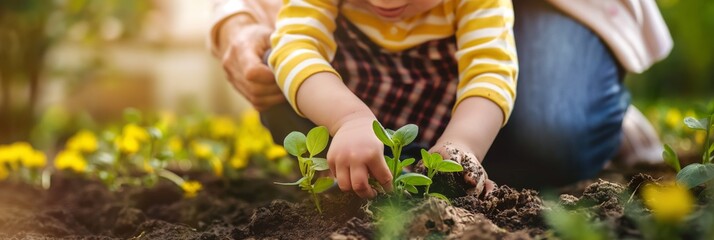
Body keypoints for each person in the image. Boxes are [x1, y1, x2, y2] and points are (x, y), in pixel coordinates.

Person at [209, 0, 672, 195]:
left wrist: (461, 151)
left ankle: (597, 107)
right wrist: (348, 118)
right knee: (279, 75)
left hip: (446, 95)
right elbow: (297, 46)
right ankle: (383, 172)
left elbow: (490, 70)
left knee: (554, 138)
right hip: (365, 95)